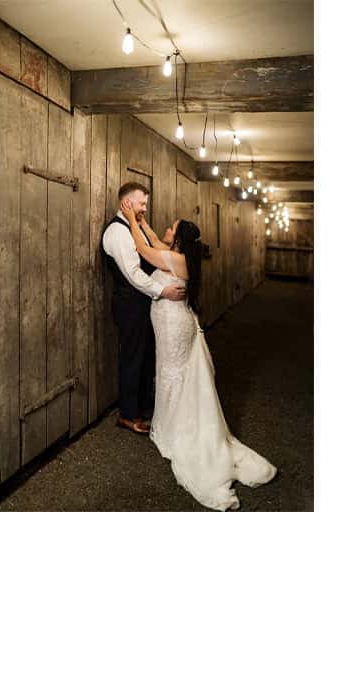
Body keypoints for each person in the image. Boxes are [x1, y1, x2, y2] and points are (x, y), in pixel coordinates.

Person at [119, 200, 277, 511]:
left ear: (178, 240)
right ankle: (169, 423)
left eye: (171, 228)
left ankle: (178, 430)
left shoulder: (175, 260)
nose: (165, 229)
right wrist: (144, 221)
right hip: (172, 323)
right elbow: (156, 242)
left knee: (173, 373)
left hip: (174, 326)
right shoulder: (178, 256)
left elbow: (144, 249)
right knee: (169, 372)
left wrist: (130, 220)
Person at [101, 183, 186, 434]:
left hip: (142, 302)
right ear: (126, 203)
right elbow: (132, 273)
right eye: (141, 203)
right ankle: (127, 414)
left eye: (145, 203)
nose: (145, 208)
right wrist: (162, 291)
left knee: (146, 354)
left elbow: (155, 250)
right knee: (132, 357)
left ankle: (142, 404)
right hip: (129, 304)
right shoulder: (117, 232)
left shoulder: (132, 228)